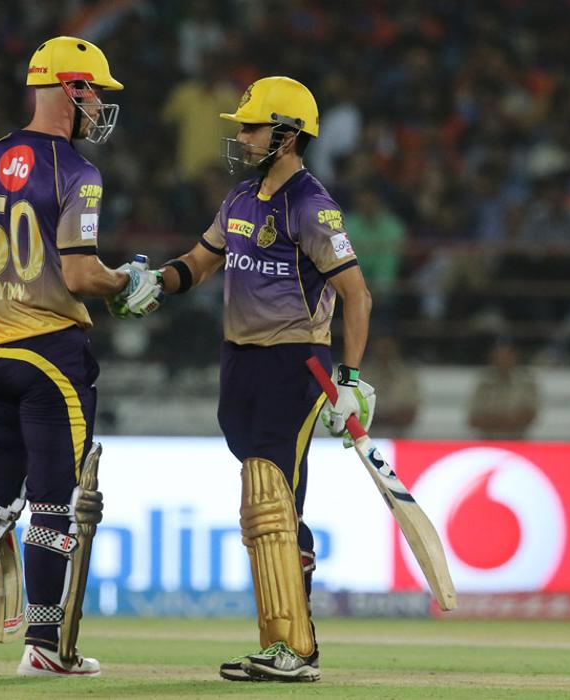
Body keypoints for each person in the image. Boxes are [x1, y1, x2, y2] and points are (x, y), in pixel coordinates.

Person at [0, 36, 162, 678]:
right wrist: (126, 282)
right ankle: (45, 647)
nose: (99, 105)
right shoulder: (78, 173)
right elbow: (79, 274)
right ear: (71, 89)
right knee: (55, 505)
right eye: (95, 92)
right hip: (52, 358)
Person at [153, 77, 374, 682]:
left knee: (273, 502)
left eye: (253, 126)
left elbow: (357, 294)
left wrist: (350, 379)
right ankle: (286, 643)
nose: (243, 135)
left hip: (294, 365)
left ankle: (294, 649)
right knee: (265, 506)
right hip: (240, 364)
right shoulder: (240, 199)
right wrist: (151, 283)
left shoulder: (312, 205)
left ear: (288, 135)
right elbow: (199, 263)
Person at [467, 340, 539, 440]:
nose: (503, 360)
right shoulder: (483, 383)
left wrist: (493, 421)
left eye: (507, 356)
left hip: (517, 440)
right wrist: (510, 420)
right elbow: (473, 419)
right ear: (492, 358)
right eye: (499, 356)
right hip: (488, 440)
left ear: (515, 357)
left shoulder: (526, 383)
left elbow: (530, 416)